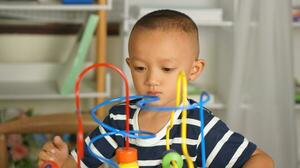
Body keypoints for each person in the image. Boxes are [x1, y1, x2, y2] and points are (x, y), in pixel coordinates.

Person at [38, 9, 274, 167]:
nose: (152, 80)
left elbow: (261, 160)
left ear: (194, 70)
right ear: (129, 66)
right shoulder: (121, 118)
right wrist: (62, 161)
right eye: (140, 68)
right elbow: (81, 164)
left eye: (167, 69)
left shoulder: (197, 125)